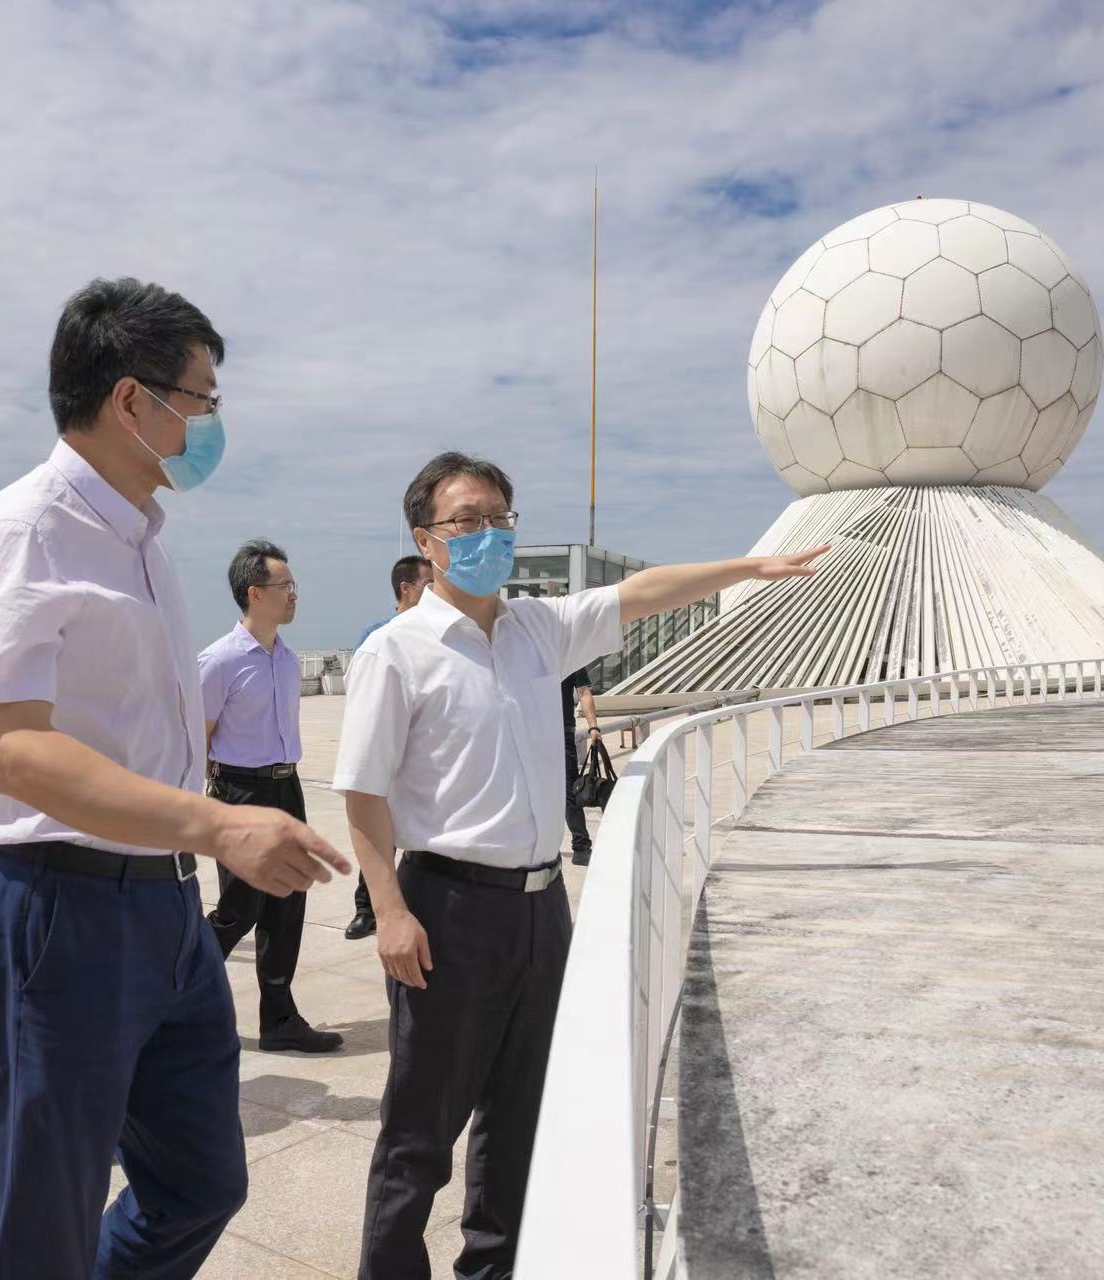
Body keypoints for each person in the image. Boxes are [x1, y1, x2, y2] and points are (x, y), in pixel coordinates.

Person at [0, 277, 352, 1280]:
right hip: (58, 911)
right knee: (42, 1234)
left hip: (163, 909)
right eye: (202, 399)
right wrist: (218, 823)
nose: (210, 423)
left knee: (200, 1183)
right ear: (133, 400)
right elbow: (16, 751)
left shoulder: (143, 541)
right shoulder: (26, 530)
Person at [335, 451, 827, 1278]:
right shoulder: (397, 651)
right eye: (467, 520)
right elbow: (362, 792)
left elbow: (642, 593)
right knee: (422, 1126)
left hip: (539, 906)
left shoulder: (538, 627)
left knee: (520, 1112)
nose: (488, 534)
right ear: (426, 540)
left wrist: (747, 568)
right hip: (448, 905)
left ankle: (493, 1267)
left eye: (500, 518)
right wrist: (389, 909)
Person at [199, 540, 342, 1053]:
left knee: (287, 902)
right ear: (255, 593)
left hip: (287, 786)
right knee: (240, 907)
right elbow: (197, 738)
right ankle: (172, 993)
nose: (294, 594)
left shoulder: (285, 660)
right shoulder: (219, 661)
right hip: (240, 790)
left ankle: (279, 1020)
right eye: (285, 586)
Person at [345, 554, 433, 941]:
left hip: (423, 755)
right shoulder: (377, 636)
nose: (436, 592)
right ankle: (367, 910)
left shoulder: (437, 633)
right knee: (378, 834)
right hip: (387, 751)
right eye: (429, 585)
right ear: (406, 589)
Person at [562, 666, 602, 865]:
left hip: (562, 732)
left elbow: (584, 692)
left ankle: (581, 847)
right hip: (531, 733)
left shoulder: (571, 655)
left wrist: (593, 726)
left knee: (570, 791)